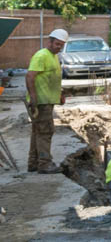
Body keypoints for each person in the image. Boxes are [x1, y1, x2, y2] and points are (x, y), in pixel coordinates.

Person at [25, 28, 68, 173]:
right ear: (49, 41)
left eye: (61, 45)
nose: (59, 47)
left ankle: (33, 163)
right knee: (45, 131)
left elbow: (53, 78)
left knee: (38, 131)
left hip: (48, 100)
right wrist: (33, 97)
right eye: (57, 44)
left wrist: (59, 94)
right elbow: (30, 76)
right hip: (41, 102)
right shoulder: (41, 55)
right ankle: (44, 164)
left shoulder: (53, 56)